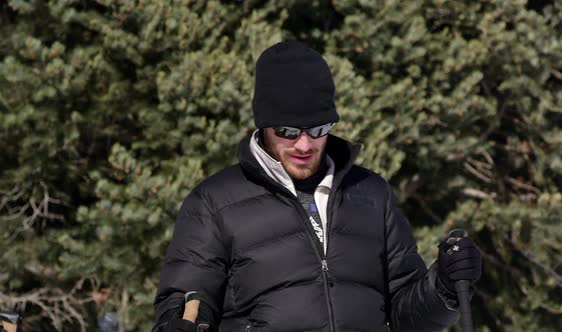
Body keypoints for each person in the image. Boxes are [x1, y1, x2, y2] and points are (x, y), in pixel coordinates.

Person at [153, 40, 482, 332]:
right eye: (288, 131)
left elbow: (407, 317)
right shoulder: (215, 201)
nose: (304, 145)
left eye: (318, 129)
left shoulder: (370, 194)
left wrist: (445, 287)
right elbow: (186, 299)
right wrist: (177, 324)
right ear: (263, 124)